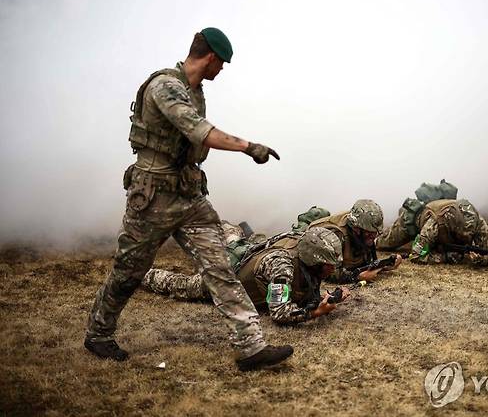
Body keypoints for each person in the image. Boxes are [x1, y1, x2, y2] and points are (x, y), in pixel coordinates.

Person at [85, 27, 292, 371]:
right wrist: (248, 147)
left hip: (189, 197)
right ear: (210, 57)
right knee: (129, 271)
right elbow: (201, 132)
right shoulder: (165, 87)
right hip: (152, 197)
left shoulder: (195, 92)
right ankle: (98, 333)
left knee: (220, 268)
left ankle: (251, 348)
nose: (222, 70)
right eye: (221, 63)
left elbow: (196, 145)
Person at [143, 227, 350, 324]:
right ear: (314, 259)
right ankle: (141, 274)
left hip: (246, 257)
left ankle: (230, 231)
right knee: (181, 285)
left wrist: (324, 298)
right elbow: (279, 313)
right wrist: (316, 312)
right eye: (329, 264)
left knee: (232, 238)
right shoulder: (282, 268)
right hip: (223, 280)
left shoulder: (306, 259)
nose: (333, 269)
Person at [377, 198, 488, 267]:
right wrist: (445, 257)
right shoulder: (435, 223)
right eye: (463, 232)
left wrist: (481, 260)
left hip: (439, 230)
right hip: (414, 221)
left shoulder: (477, 220)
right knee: (383, 243)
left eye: (470, 233)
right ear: (453, 223)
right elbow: (417, 255)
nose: (467, 236)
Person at [308, 199, 402, 283]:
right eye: (369, 233)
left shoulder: (363, 230)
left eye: (375, 232)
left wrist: (384, 265)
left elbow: (367, 263)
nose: (373, 236)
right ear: (356, 228)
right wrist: (357, 277)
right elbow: (328, 273)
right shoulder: (336, 235)